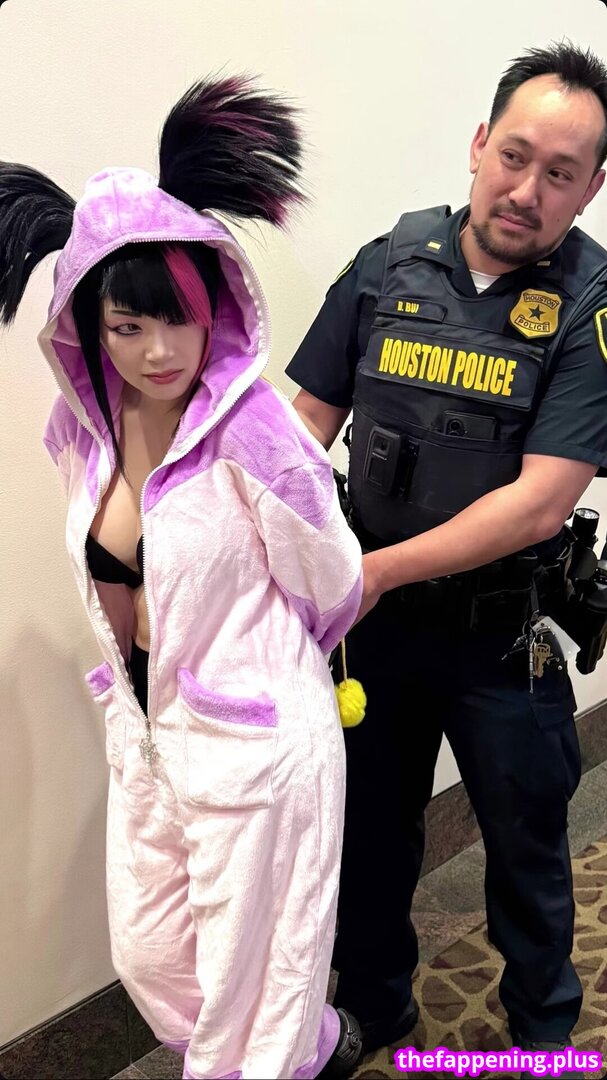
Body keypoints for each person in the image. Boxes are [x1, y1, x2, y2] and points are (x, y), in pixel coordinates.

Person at [0, 76, 365, 1080]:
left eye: (181, 320)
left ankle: (287, 1054)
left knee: (255, 995)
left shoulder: (257, 433)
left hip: (257, 740)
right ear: (89, 325)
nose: (158, 351)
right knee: (155, 959)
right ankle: (315, 1046)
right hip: (149, 733)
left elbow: (332, 579)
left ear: (218, 307)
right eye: (127, 326)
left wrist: (250, 673)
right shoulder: (82, 428)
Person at [286, 41, 607, 1079]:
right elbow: (304, 423)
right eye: (513, 156)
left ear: (591, 187)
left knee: (524, 843)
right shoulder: (388, 262)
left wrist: (374, 571)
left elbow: (539, 500)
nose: (526, 190)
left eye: (559, 173)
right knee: (370, 836)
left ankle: (542, 1036)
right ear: (478, 144)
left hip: (496, 634)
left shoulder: (591, 303)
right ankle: (373, 1008)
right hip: (371, 631)